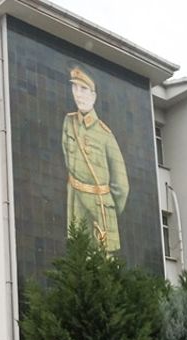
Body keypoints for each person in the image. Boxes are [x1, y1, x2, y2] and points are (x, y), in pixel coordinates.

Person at [62, 66, 129, 253]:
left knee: (102, 260)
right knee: (77, 258)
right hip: (75, 200)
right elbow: (68, 159)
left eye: (83, 89)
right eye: (74, 88)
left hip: (100, 206)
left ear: (94, 96)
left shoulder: (105, 135)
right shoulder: (69, 122)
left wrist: (108, 207)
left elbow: (121, 186)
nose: (78, 94)